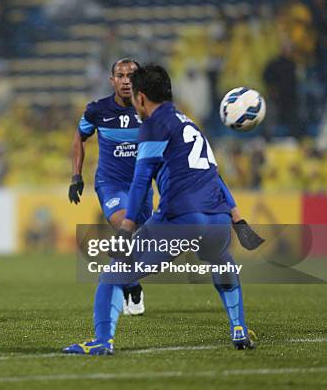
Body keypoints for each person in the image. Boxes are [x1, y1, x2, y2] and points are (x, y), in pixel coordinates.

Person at [64, 64, 264, 355]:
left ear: (142, 98)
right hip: (219, 220)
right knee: (222, 263)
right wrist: (238, 219)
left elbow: (141, 180)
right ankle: (239, 329)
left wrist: (126, 229)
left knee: (113, 273)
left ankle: (102, 341)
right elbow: (214, 175)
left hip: (182, 218)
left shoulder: (153, 127)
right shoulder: (189, 124)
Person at [69, 58, 152, 326]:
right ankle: (132, 287)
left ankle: (130, 283)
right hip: (110, 184)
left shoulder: (152, 109)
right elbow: (79, 137)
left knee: (136, 239)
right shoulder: (97, 110)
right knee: (123, 225)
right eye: (121, 75)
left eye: (131, 75)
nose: (126, 80)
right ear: (112, 80)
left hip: (142, 186)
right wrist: (76, 176)